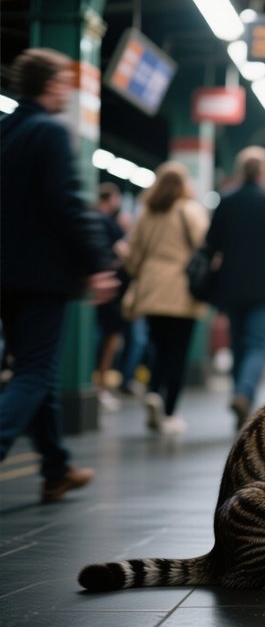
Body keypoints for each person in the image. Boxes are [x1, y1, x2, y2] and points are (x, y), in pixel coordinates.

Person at [0, 47, 119, 502]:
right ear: (50, 85)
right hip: (43, 276)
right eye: (65, 83)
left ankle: (56, 467)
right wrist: (97, 264)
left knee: (36, 369)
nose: (69, 91)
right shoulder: (50, 132)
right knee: (32, 371)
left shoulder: (5, 129)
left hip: (7, 275)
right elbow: (67, 205)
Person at [205, 146, 265, 428]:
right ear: (262, 172)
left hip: (231, 286)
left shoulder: (227, 201)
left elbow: (211, 243)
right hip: (264, 286)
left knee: (237, 344)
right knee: (257, 344)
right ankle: (244, 392)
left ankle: (240, 396)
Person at [124, 162, 209, 434]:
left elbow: (133, 255)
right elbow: (204, 246)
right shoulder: (189, 209)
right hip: (181, 289)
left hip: (151, 286)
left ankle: (153, 391)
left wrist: (142, 272)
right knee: (178, 352)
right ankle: (170, 411)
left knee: (157, 346)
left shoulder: (146, 213)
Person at [92, 182, 130, 411]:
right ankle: (101, 388)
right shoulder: (109, 222)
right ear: (112, 199)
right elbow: (124, 252)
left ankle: (97, 384)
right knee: (110, 339)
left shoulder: (88, 218)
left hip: (87, 288)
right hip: (109, 288)